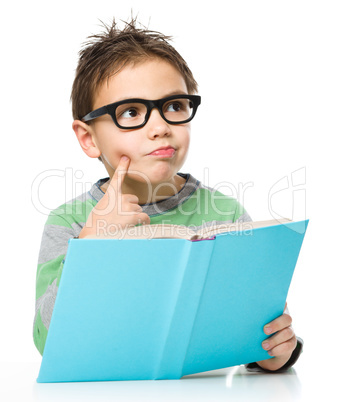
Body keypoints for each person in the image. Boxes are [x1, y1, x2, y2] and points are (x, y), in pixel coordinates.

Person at [33, 18, 303, 372]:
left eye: (174, 106)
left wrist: (276, 352)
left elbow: (254, 330)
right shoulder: (70, 222)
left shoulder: (226, 213)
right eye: (131, 112)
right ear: (88, 138)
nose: (160, 127)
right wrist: (92, 244)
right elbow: (48, 339)